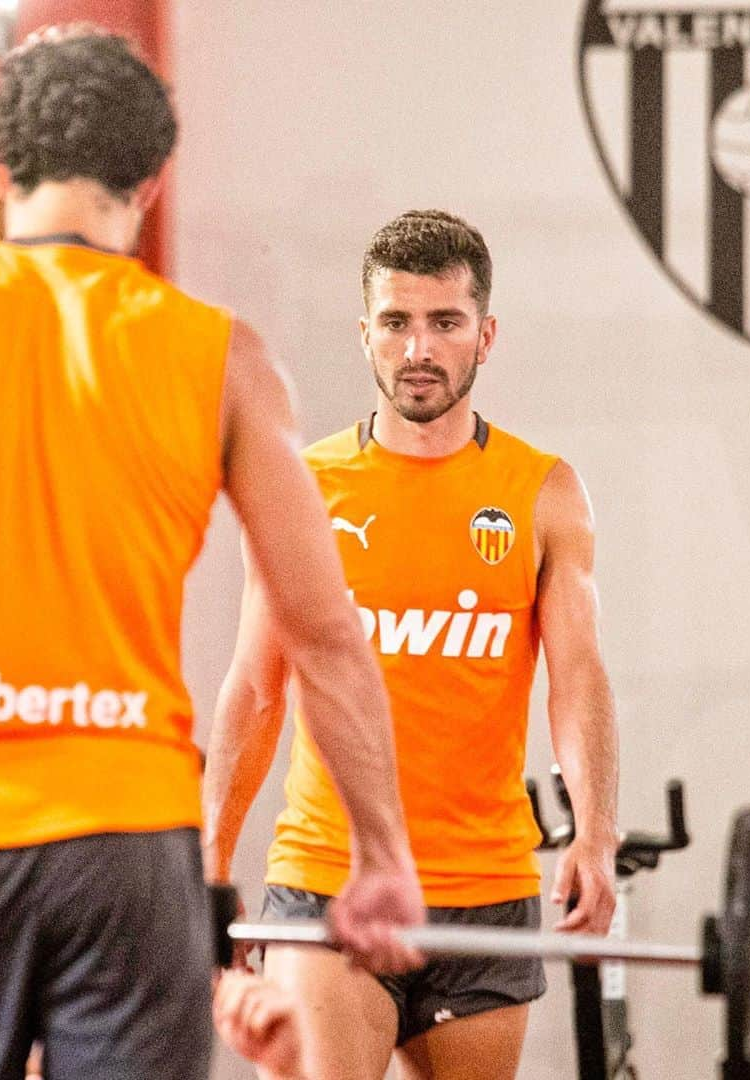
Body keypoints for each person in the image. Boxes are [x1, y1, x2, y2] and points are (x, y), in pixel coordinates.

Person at [0, 25, 423, 1080]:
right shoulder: (224, 362)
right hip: (126, 846)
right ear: (154, 181)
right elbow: (322, 634)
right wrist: (384, 856)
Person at [204, 209, 620, 1080]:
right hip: (329, 875)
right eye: (396, 322)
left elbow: (577, 680)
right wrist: (207, 857)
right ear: (366, 334)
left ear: (486, 334)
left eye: (445, 322)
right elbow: (256, 687)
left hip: (482, 890)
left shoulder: (542, 492)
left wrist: (596, 834)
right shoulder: (308, 485)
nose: (419, 348)